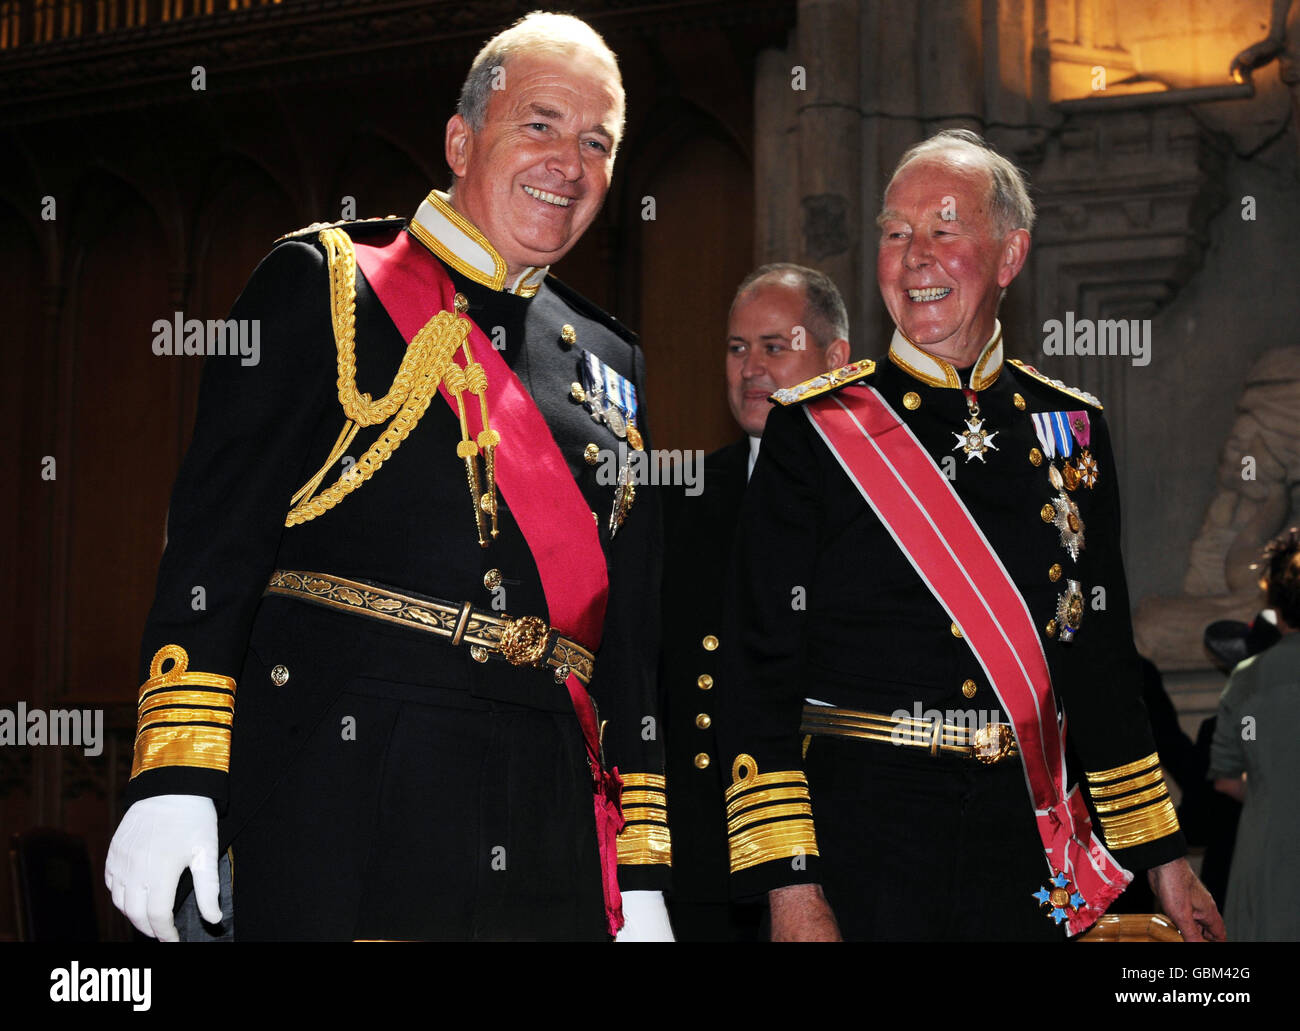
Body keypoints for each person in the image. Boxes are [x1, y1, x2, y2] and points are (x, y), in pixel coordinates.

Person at [103, 12, 672, 942]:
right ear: (461, 139)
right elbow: (215, 549)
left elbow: (632, 647)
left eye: (596, 141)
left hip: (549, 827)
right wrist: (176, 774)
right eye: (540, 123)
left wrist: (640, 867)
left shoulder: (611, 360)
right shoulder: (327, 281)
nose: (568, 161)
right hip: (350, 794)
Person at [719, 129, 1224, 942]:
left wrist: (1162, 855)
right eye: (894, 233)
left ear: (1010, 254)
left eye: (944, 229)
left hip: (1025, 852)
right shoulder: (813, 432)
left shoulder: (1072, 429)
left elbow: (1099, 665)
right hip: (862, 851)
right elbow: (756, 676)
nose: (913, 256)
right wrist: (790, 886)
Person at [661, 265, 849, 941]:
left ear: (836, 359)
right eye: (738, 348)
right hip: (705, 857)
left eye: (776, 346)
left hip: (834, 848)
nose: (751, 368)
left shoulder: (876, 505)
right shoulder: (678, 499)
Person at [1209, 529, 1300, 940]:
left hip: (1269, 858)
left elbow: (1227, 780)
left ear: (1276, 607)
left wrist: (1272, 787)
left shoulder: (1247, 680)